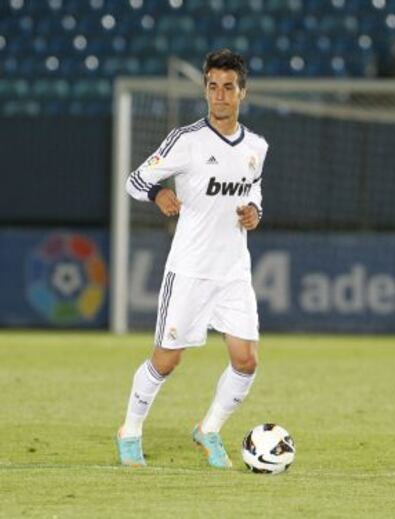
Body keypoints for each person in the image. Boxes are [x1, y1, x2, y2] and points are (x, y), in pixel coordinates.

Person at [117, 48, 269, 469]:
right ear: (205, 89)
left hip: (234, 272)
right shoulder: (187, 140)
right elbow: (135, 179)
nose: (219, 95)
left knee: (246, 359)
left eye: (228, 88)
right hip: (189, 269)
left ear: (242, 92)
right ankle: (130, 431)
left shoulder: (256, 146)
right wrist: (158, 192)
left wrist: (255, 212)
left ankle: (209, 429)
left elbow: (253, 190)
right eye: (212, 87)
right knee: (167, 360)